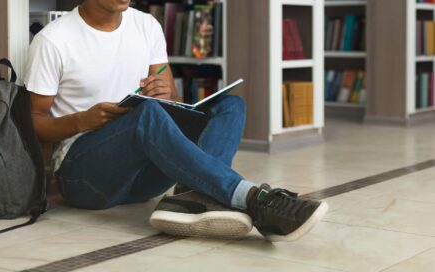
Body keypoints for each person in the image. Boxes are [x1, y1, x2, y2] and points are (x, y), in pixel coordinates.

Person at [24, 0, 328, 242]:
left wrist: (166, 92)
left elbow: (170, 98)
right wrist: (82, 121)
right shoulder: (53, 40)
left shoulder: (146, 25)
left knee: (230, 105)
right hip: (84, 178)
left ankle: (191, 199)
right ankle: (253, 198)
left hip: (143, 176)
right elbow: (33, 122)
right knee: (147, 114)